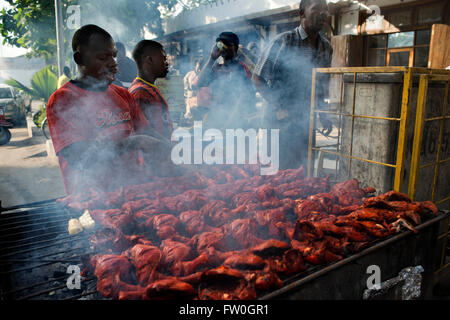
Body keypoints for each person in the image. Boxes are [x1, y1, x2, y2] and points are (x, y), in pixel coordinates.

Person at [46, 25, 156, 195]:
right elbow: (79, 156)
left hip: (134, 194)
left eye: (114, 56)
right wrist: (136, 141)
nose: (113, 63)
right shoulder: (64, 100)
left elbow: (148, 133)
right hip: (93, 200)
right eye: (104, 57)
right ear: (80, 59)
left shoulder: (123, 95)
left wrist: (180, 150)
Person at [252, 0, 333, 170]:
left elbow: (321, 84)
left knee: (302, 174)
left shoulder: (326, 47)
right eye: (317, 9)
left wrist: (323, 114)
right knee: (273, 176)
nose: (323, 14)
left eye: (325, 10)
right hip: (278, 123)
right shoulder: (283, 41)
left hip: (305, 123)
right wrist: (279, 108)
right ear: (302, 13)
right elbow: (257, 78)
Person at [193, 31, 256, 130]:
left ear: (235, 47)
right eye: (221, 45)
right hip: (216, 118)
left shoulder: (241, 67)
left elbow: (244, 98)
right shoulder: (216, 67)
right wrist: (212, 58)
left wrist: (228, 124)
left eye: (228, 45)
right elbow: (200, 83)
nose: (224, 48)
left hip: (234, 122)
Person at [128, 40, 173, 142]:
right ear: (149, 60)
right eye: (163, 58)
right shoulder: (140, 92)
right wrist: (169, 147)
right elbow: (143, 132)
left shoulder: (148, 88)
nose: (167, 63)